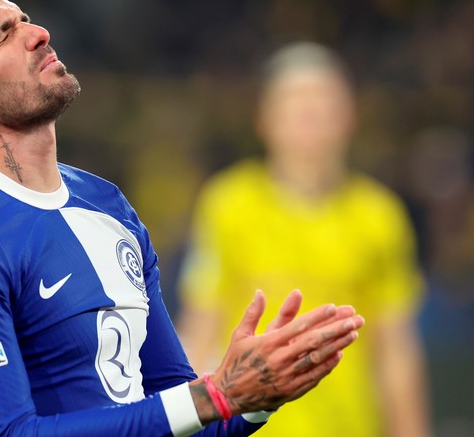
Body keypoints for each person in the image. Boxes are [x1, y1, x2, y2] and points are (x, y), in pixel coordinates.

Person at [0, 0, 364, 436]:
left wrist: (256, 397)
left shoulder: (106, 206)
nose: (38, 33)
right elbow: (7, 435)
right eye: (2, 35)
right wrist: (216, 396)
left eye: (24, 19)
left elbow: (176, 409)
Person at [178, 42, 431, 437]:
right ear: (264, 119)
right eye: (295, 101)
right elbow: (199, 327)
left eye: (323, 101)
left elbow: (396, 351)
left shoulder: (380, 216)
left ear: (349, 116)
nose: (310, 113)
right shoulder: (227, 204)